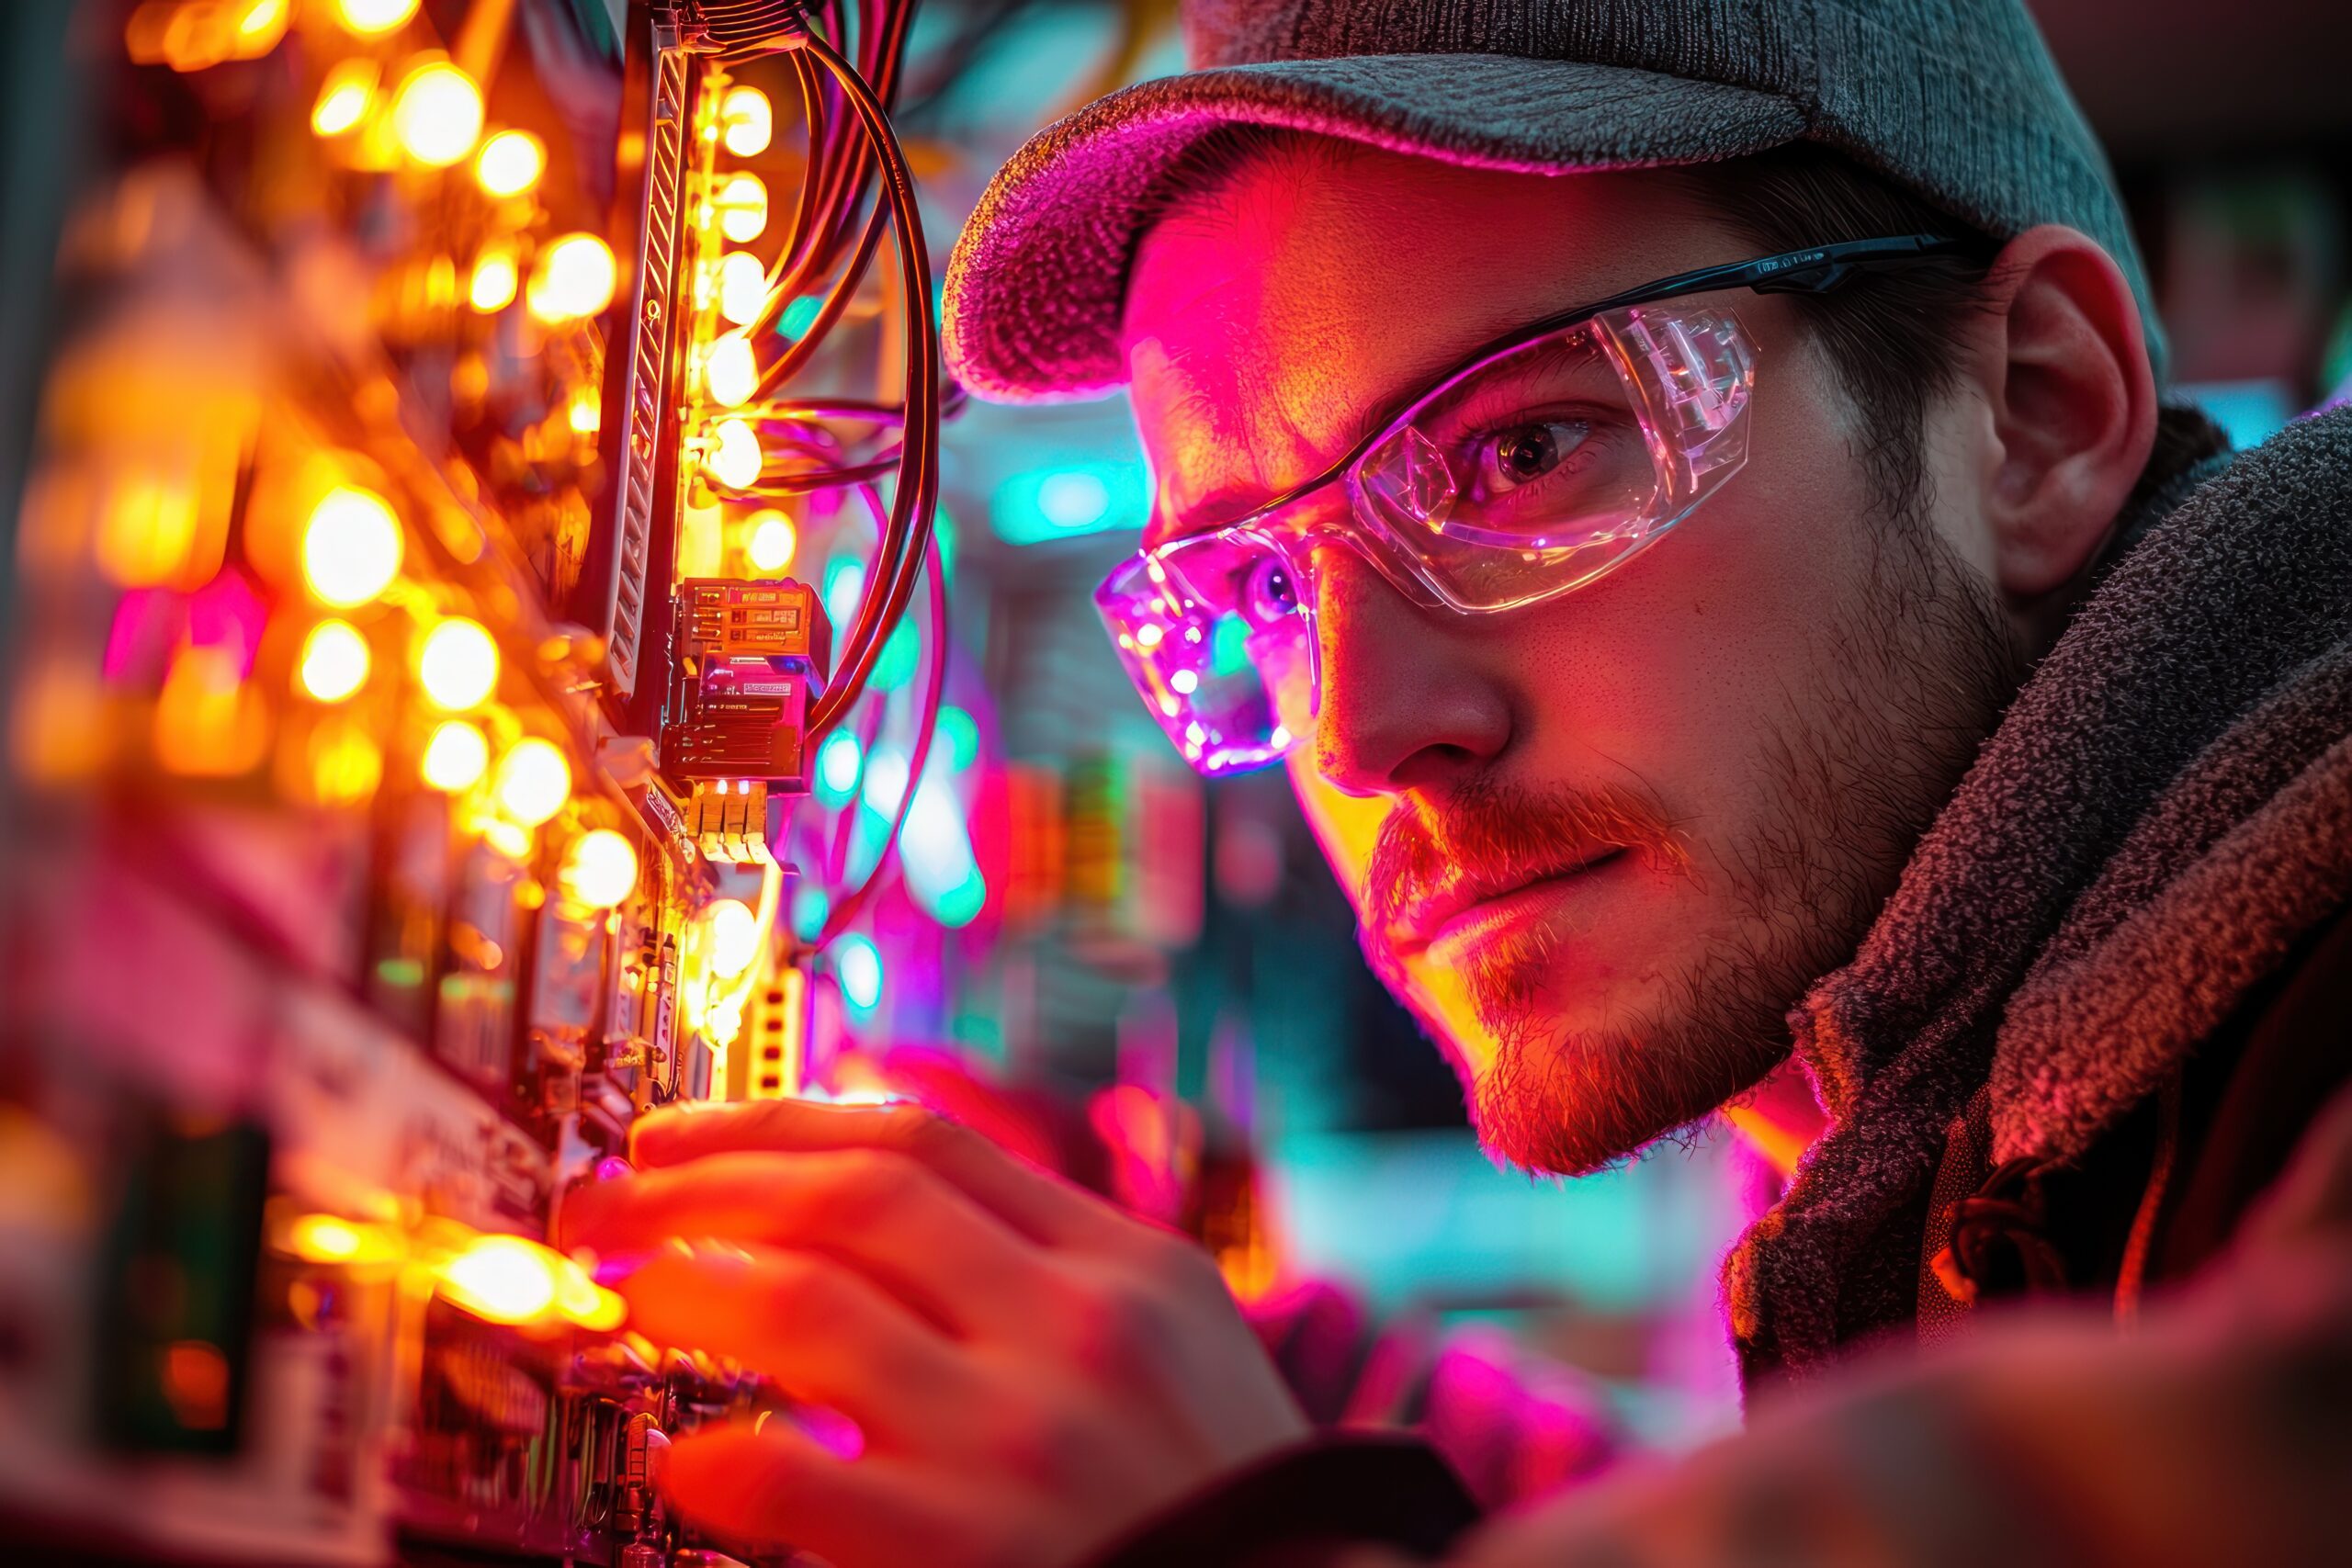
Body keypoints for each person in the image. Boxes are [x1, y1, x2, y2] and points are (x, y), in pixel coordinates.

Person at [560, 2, 2352, 1562]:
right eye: (1258, 586)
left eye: (1517, 449)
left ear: (2027, 410)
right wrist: (1253, 1382)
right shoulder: (1951, 1151)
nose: (1349, 734)